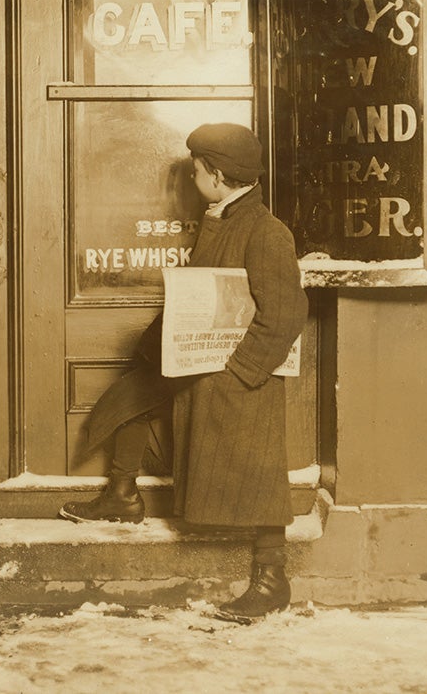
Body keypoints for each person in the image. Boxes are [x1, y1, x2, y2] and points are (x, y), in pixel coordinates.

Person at [60, 123, 308, 622]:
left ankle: (271, 577)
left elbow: (284, 315)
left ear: (216, 175)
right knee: (128, 397)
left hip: (238, 376)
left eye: (195, 171)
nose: (191, 179)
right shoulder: (222, 217)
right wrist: (159, 346)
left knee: (257, 468)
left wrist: (241, 372)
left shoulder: (264, 231)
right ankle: (123, 494)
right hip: (200, 362)